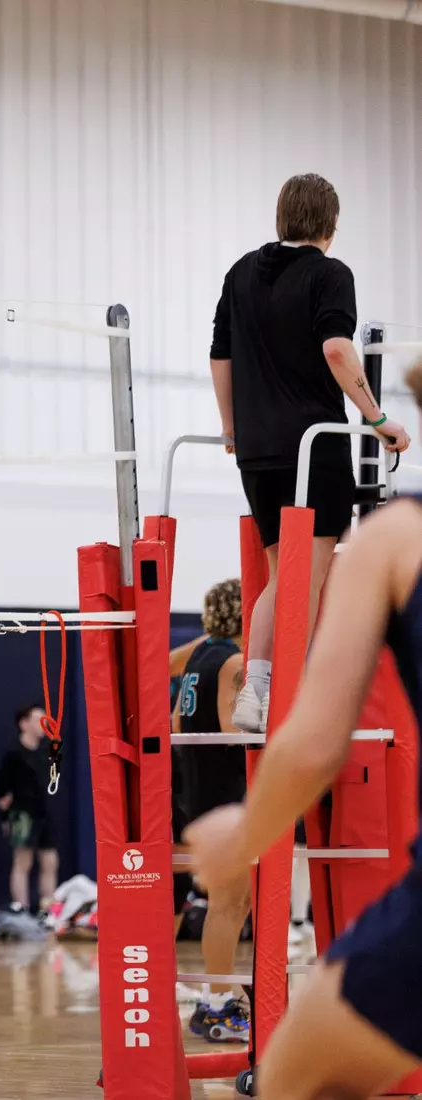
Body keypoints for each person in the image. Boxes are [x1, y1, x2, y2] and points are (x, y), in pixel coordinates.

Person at [187, 367, 422, 1099]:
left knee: (293, 1077)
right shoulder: (212, 656)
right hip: (233, 773)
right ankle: (220, 998)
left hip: (239, 785)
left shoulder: (392, 538)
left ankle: (218, 998)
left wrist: (245, 831)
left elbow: (313, 743)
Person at [210, 174, 410, 736]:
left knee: (290, 574)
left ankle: (279, 683)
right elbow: (337, 348)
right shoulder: (329, 274)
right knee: (304, 577)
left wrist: (231, 428)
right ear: (330, 225)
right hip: (312, 445)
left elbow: (219, 356)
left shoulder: (241, 272)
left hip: (257, 452)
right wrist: (376, 419)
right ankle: (263, 689)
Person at [167, 578, 252, 1043]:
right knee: (229, 905)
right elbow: (232, 728)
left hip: (195, 792)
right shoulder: (236, 662)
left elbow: (167, 686)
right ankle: (216, 1004)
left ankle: (220, 997)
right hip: (224, 795)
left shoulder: (200, 657)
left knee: (233, 905)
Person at [0, 704, 59, 914]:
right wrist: (6, 818)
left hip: (43, 812)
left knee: (50, 860)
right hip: (22, 814)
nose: (43, 725)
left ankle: (47, 910)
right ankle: (21, 908)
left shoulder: (45, 752)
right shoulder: (14, 754)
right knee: (23, 861)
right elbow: (1, 792)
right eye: (38, 720)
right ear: (24, 723)